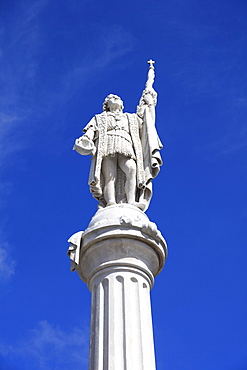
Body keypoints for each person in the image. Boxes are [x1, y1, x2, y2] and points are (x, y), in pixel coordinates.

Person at [74, 63, 162, 211]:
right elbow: (90, 131)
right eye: (111, 98)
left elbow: (146, 122)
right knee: (110, 175)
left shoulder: (131, 118)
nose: (114, 98)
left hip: (127, 145)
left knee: (132, 169)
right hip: (107, 146)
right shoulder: (99, 118)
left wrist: (149, 103)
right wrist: (86, 140)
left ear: (121, 105)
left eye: (117, 97)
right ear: (106, 105)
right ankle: (111, 203)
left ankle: (131, 201)